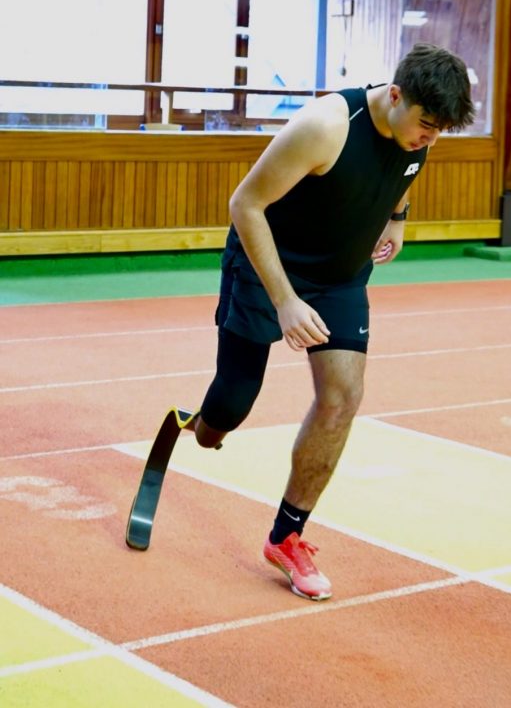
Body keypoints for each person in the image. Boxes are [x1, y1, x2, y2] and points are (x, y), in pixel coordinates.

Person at [187, 43, 474, 600]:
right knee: (229, 408)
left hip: (342, 278)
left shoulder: (416, 130)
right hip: (265, 265)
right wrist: (286, 300)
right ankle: (199, 421)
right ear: (395, 96)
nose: (430, 138)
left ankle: (286, 537)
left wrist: (397, 219)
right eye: (427, 124)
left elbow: (405, 167)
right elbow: (245, 205)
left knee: (342, 396)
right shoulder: (325, 127)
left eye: (441, 131)